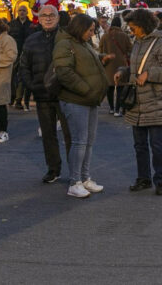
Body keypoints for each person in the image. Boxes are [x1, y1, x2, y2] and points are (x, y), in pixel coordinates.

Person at [115, 9, 162, 196]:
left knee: (156, 144)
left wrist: (149, 74)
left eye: (134, 28)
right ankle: (143, 178)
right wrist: (123, 71)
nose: (131, 31)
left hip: (155, 101)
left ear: (143, 26)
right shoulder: (137, 42)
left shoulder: (161, 43)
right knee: (139, 144)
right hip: (137, 103)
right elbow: (135, 68)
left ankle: (160, 180)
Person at [53, 14, 110, 199]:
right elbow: (64, 72)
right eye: (90, 30)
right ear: (80, 28)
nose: (92, 33)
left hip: (89, 99)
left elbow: (84, 63)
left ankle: (84, 178)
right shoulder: (65, 44)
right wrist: (86, 89)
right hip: (76, 99)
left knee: (88, 141)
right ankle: (75, 181)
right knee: (79, 141)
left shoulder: (81, 43)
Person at [18, 4, 71, 183]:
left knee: (70, 134)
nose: (48, 18)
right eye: (44, 15)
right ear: (39, 19)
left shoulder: (66, 39)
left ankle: (76, 171)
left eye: (51, 15)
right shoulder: (32, 40)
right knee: (48, 135)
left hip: (65, 94)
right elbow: (23, 66)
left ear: (57, 17)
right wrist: (32, 85)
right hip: (42, 94)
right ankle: (53, 169)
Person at [99, 14, 132, 116]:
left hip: (108, 65)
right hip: (121, 66)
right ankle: (118, 110)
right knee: (120, 88)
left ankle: (111, 108)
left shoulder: (105, 36)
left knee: (110, 87)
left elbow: (100, 51)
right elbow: (130, 49)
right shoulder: (124, 36)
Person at [8, 5, 36, 111]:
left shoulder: (31, 25)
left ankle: (19, 100)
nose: (22, 12)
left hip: (27, 54)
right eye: (20, 10)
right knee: (12, 76)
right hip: (14, 53)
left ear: (27, 12)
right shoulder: (12, 24)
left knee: (23, 77)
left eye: (24, 10)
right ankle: (12, 96)